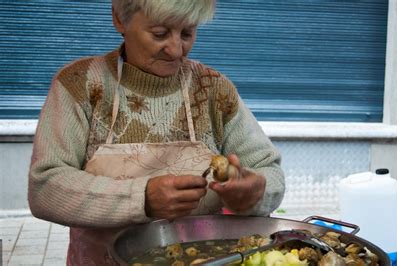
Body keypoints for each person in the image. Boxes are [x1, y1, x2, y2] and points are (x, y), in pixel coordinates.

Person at [28, 0, 285, 264]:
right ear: (119, 19)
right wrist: (141, 199)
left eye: (187, 33)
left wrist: (255, 192)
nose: (176, 50)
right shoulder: (80, 85)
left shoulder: (213, 90)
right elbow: (44, 188)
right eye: (160, 34)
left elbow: (270, 173)